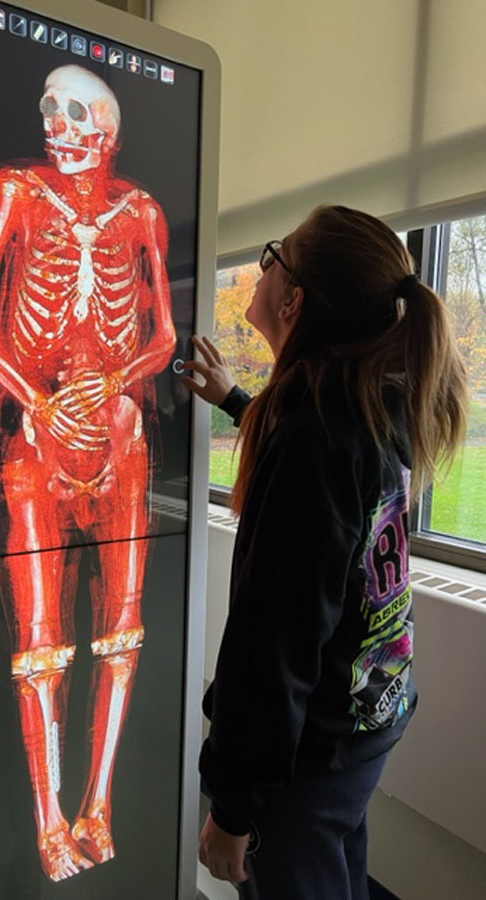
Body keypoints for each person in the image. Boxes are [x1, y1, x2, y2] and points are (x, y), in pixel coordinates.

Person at [182, 205, 468, 899]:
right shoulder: (374, 402)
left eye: (275, 254)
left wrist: (232, 808)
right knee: (336, 866)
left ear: (294, 297)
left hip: (313, 752)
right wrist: (236, 400)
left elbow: (271, 647)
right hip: (371, 715)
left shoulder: (315, 435)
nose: (262, 264)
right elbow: (327, 484)